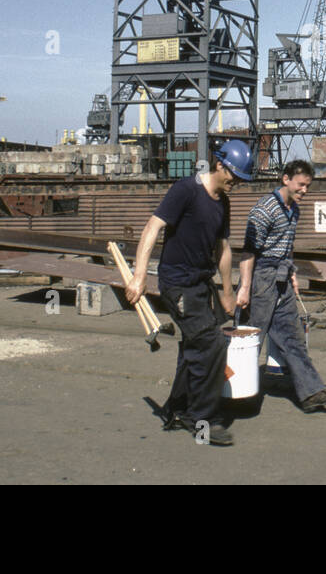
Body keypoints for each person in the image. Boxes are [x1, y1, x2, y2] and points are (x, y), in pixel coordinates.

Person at [124, 140, 254, 447]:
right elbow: (152, 228)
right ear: (219, 165)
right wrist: (138, 277)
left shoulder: (222, 201)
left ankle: (176, 408)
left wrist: (227, 290)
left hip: (200, 283)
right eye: (234, 176)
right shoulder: (186, 190)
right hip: (177, 283)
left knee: (195, 347)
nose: (236, 183)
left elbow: (222, 248)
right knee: (211, 344)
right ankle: (201, 419)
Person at [236, 159, 326, 413]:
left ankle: (311, 393)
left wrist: (291, 272)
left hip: (281, 275)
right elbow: (249, 252)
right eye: (301, 185)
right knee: (251, 337)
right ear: (286, 179)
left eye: (307, 186)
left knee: (292, 335)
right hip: (261, 276)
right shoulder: (264, 210)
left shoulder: (294, 209)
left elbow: (287, 246)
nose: (304, 190)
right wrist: (244, 288)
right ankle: (232, 394)